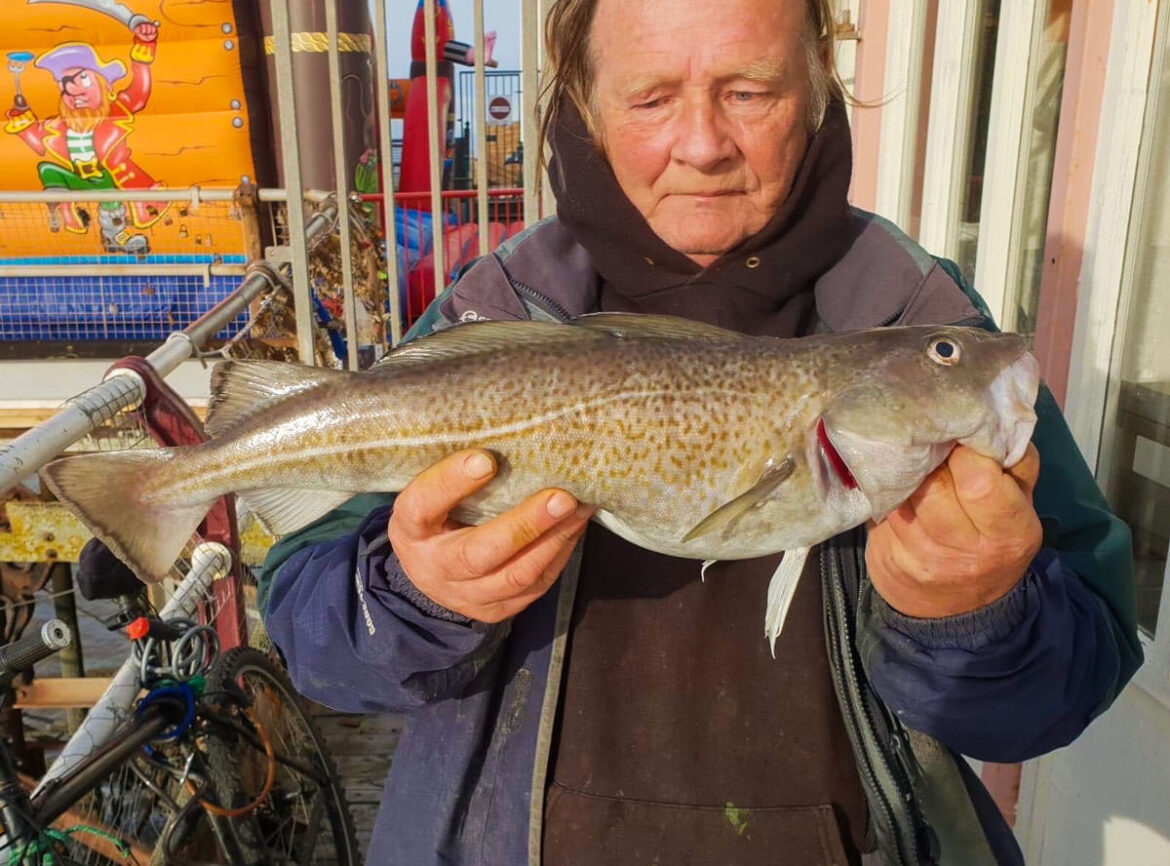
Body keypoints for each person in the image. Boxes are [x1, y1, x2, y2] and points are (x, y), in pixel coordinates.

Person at [261, 0, 1142, 863]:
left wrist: (975, 614)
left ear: (818, 85)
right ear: (585, 106)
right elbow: (316, 644)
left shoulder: (916, 317)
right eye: (650, 98)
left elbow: (1067, 688)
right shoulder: (493, 311)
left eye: (749, 91)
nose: (703, 145)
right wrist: (414, 597)